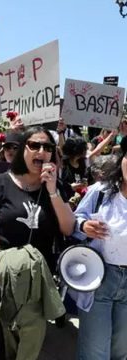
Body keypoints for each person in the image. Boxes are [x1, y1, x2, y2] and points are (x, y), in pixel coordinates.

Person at [0, 126, 75, 360]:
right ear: (22, 150)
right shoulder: (0, 183)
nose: (41, 151)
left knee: (28, 338)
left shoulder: (55, 186)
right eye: (35, 145)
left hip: (37, 277)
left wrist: (52, 191)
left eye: (48, 147)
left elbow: (67, 227)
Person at [73, 135, 127, 360]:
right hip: (99, 278)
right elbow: (75, 220)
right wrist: (84, 225)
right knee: (95, 352)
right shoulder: (102, 190)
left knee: (121, 351)